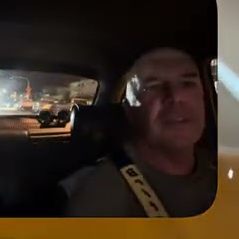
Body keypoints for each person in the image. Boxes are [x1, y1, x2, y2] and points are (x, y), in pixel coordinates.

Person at [61, 47, 217, 217]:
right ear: (129, 110)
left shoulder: (218, 165)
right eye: (153, 87)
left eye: (187, 83)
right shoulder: (104, 196)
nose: (175, 96)